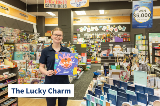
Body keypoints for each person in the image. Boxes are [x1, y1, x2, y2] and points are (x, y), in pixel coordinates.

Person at [39, 27, 81, 106]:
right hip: (50, 83)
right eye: (56, 35)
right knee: (50, 104)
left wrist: (76, 61)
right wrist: (46, 72)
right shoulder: (46, 50)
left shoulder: (66, 50)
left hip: (64, 82)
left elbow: (70, 67)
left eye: (60, 35)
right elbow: (41, 67)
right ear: (51, 36)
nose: (58, 37)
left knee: (63, 104)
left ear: (62, 37)